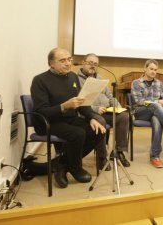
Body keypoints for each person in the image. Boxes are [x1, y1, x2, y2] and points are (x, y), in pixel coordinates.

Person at [30, 48, 106, 188]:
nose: (68, 63)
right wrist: (63, 106)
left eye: (69, 59)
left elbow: (82, 103)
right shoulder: (40, 80)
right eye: (62, 60)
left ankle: (62, 165)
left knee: (99, 130)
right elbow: (42, 111)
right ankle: (75, 167)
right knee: (78, 133)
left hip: (68, 119)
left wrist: (91, 117)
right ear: (51, 63)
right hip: (47, 122)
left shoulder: (72, 77)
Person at [77, 53, 130, 169]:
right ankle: (101, 158)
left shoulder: (100, 78)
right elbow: (78, 102)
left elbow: (110, 96)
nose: (93, 66)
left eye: (95, 64)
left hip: (106, 111)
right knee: (100, 120)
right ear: (83, 62)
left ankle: (119, 151)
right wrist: (95, 109)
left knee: (124, 116)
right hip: (88, 114)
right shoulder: (75, 79)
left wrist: (118, 107)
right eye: (90, 63)